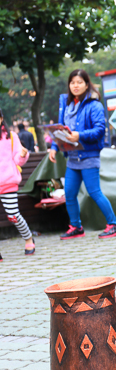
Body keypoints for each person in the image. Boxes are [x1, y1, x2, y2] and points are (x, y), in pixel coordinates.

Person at [49, 70, 116, 240]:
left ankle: (115, 224)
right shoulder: (66, 104)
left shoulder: (94, 105)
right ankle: (76, 227)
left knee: (94, 192)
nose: (75, 86)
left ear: (86, 84)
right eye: (72, 82)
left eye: (79, 82)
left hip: (89, 156)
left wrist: (80, 135)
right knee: (69, 193)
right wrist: (54, 146)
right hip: (72, 157)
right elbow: (60, 129)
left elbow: (99, 131)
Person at [0, 108, 35, 258]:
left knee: (13, 215)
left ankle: (28, 238)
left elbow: (17, 159)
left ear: (1, 119)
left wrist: (23, 155)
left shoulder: (10, 137)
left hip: (7, 181)